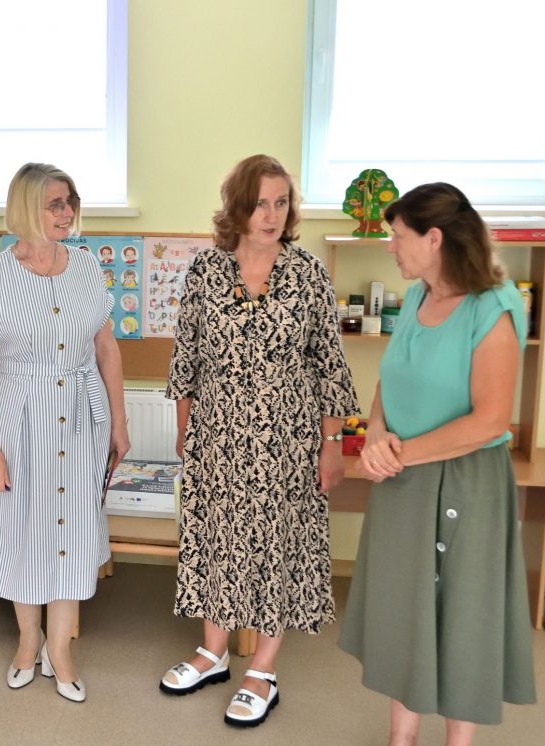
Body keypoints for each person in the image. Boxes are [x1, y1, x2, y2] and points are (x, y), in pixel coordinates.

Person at [161, 154, 358, 727]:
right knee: (216, 536)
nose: (271, 215)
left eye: (281, 203)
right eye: (259, 204)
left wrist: (331, 444)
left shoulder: (308, 273)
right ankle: (213, 652)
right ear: (237, 208)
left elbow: (329, 365)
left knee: (277, 543)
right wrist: (185, 428)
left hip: (289, 437)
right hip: (217, 432)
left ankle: (263, 670)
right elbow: (187, 356)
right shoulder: (207, 270)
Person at [338, 182, 536, 744]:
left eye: (397, 236)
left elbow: (489, 421)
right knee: (405, 610)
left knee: (460, 616)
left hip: (466, 483)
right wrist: (376, 435)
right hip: (404, 480)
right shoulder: (416, 298)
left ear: (434, 239)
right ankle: (401, 737)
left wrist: (395, 454)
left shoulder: (493, 308)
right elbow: (390, 380)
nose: (389, 247)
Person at [0, 162, 130, 702]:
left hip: (79, 416)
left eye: (70, 201)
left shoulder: (87, 267)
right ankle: (27, 640)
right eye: (55, 203)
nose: (66, 212)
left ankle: (61, 649)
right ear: (26, 208)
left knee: (71, 532)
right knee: (25, 531)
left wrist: (119, 421)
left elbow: (106, 348)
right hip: (18, 420)